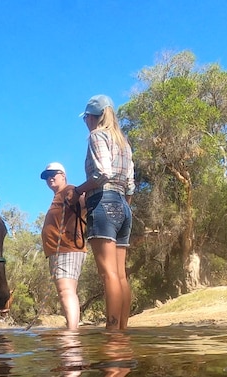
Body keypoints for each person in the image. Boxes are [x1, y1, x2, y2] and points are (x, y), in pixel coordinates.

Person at [73, 94, 135, 330]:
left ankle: (111, 333)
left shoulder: (97, 135)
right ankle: (122, 331)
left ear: (91, 117)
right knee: (120, 275)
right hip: (123, 206)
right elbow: (130, 184)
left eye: (86, 118)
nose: (86, 122)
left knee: (108, 274)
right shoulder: (124, 143)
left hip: (103, 202)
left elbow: (102, 173)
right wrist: (124, 206)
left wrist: (79, 190)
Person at [40, 161, 87, 330]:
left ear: (63, 175)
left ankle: (72, 332)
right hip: (58, 252)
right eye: (46, 176)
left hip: (68, 248)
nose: (49, 178)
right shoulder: (58, 196)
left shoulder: (69, 190)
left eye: (53, 174)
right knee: (66, 291)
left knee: (65, 291)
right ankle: (72, 328)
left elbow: (83, 201)